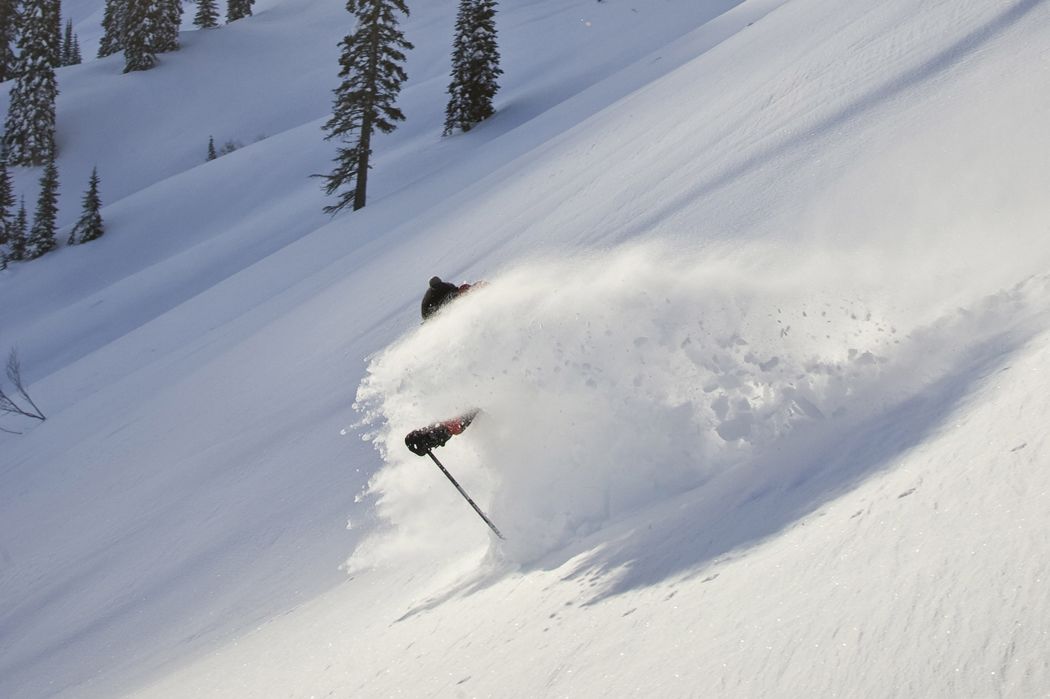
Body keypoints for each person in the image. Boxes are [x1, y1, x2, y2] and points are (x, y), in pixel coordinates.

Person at [405, 277, 483, 455]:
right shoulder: (463, 345)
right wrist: (439, 431)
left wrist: (442, 431)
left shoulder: (483, 331)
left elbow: (483, 395)